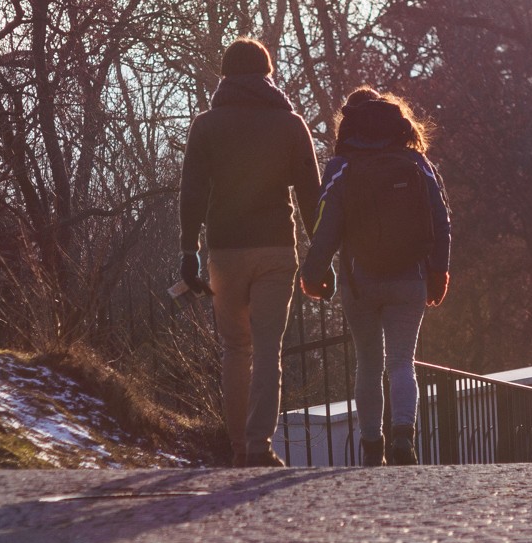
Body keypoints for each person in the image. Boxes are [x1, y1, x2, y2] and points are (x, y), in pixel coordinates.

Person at [178, 37, 331, 468]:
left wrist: (188, 248)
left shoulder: (206, 125)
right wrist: (321, 254)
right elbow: (310, 195)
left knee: (235, 349)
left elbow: (192, 192)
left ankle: (237, 447)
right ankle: (259, 445)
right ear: (267, 73)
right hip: (276, 248)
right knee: (268, 348)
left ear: (225, 75)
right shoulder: (290, 124)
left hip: (225, 248)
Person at [300, 87, 451, 466]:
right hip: (410, 278)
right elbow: (441, 218)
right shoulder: (416, 162)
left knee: (368, 361)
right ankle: (404, 438)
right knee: (402, 361)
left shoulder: (342, 166)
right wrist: (439, 269)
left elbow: (326, 226)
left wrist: (313, 271)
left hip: (359, 281)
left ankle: (372, 447)